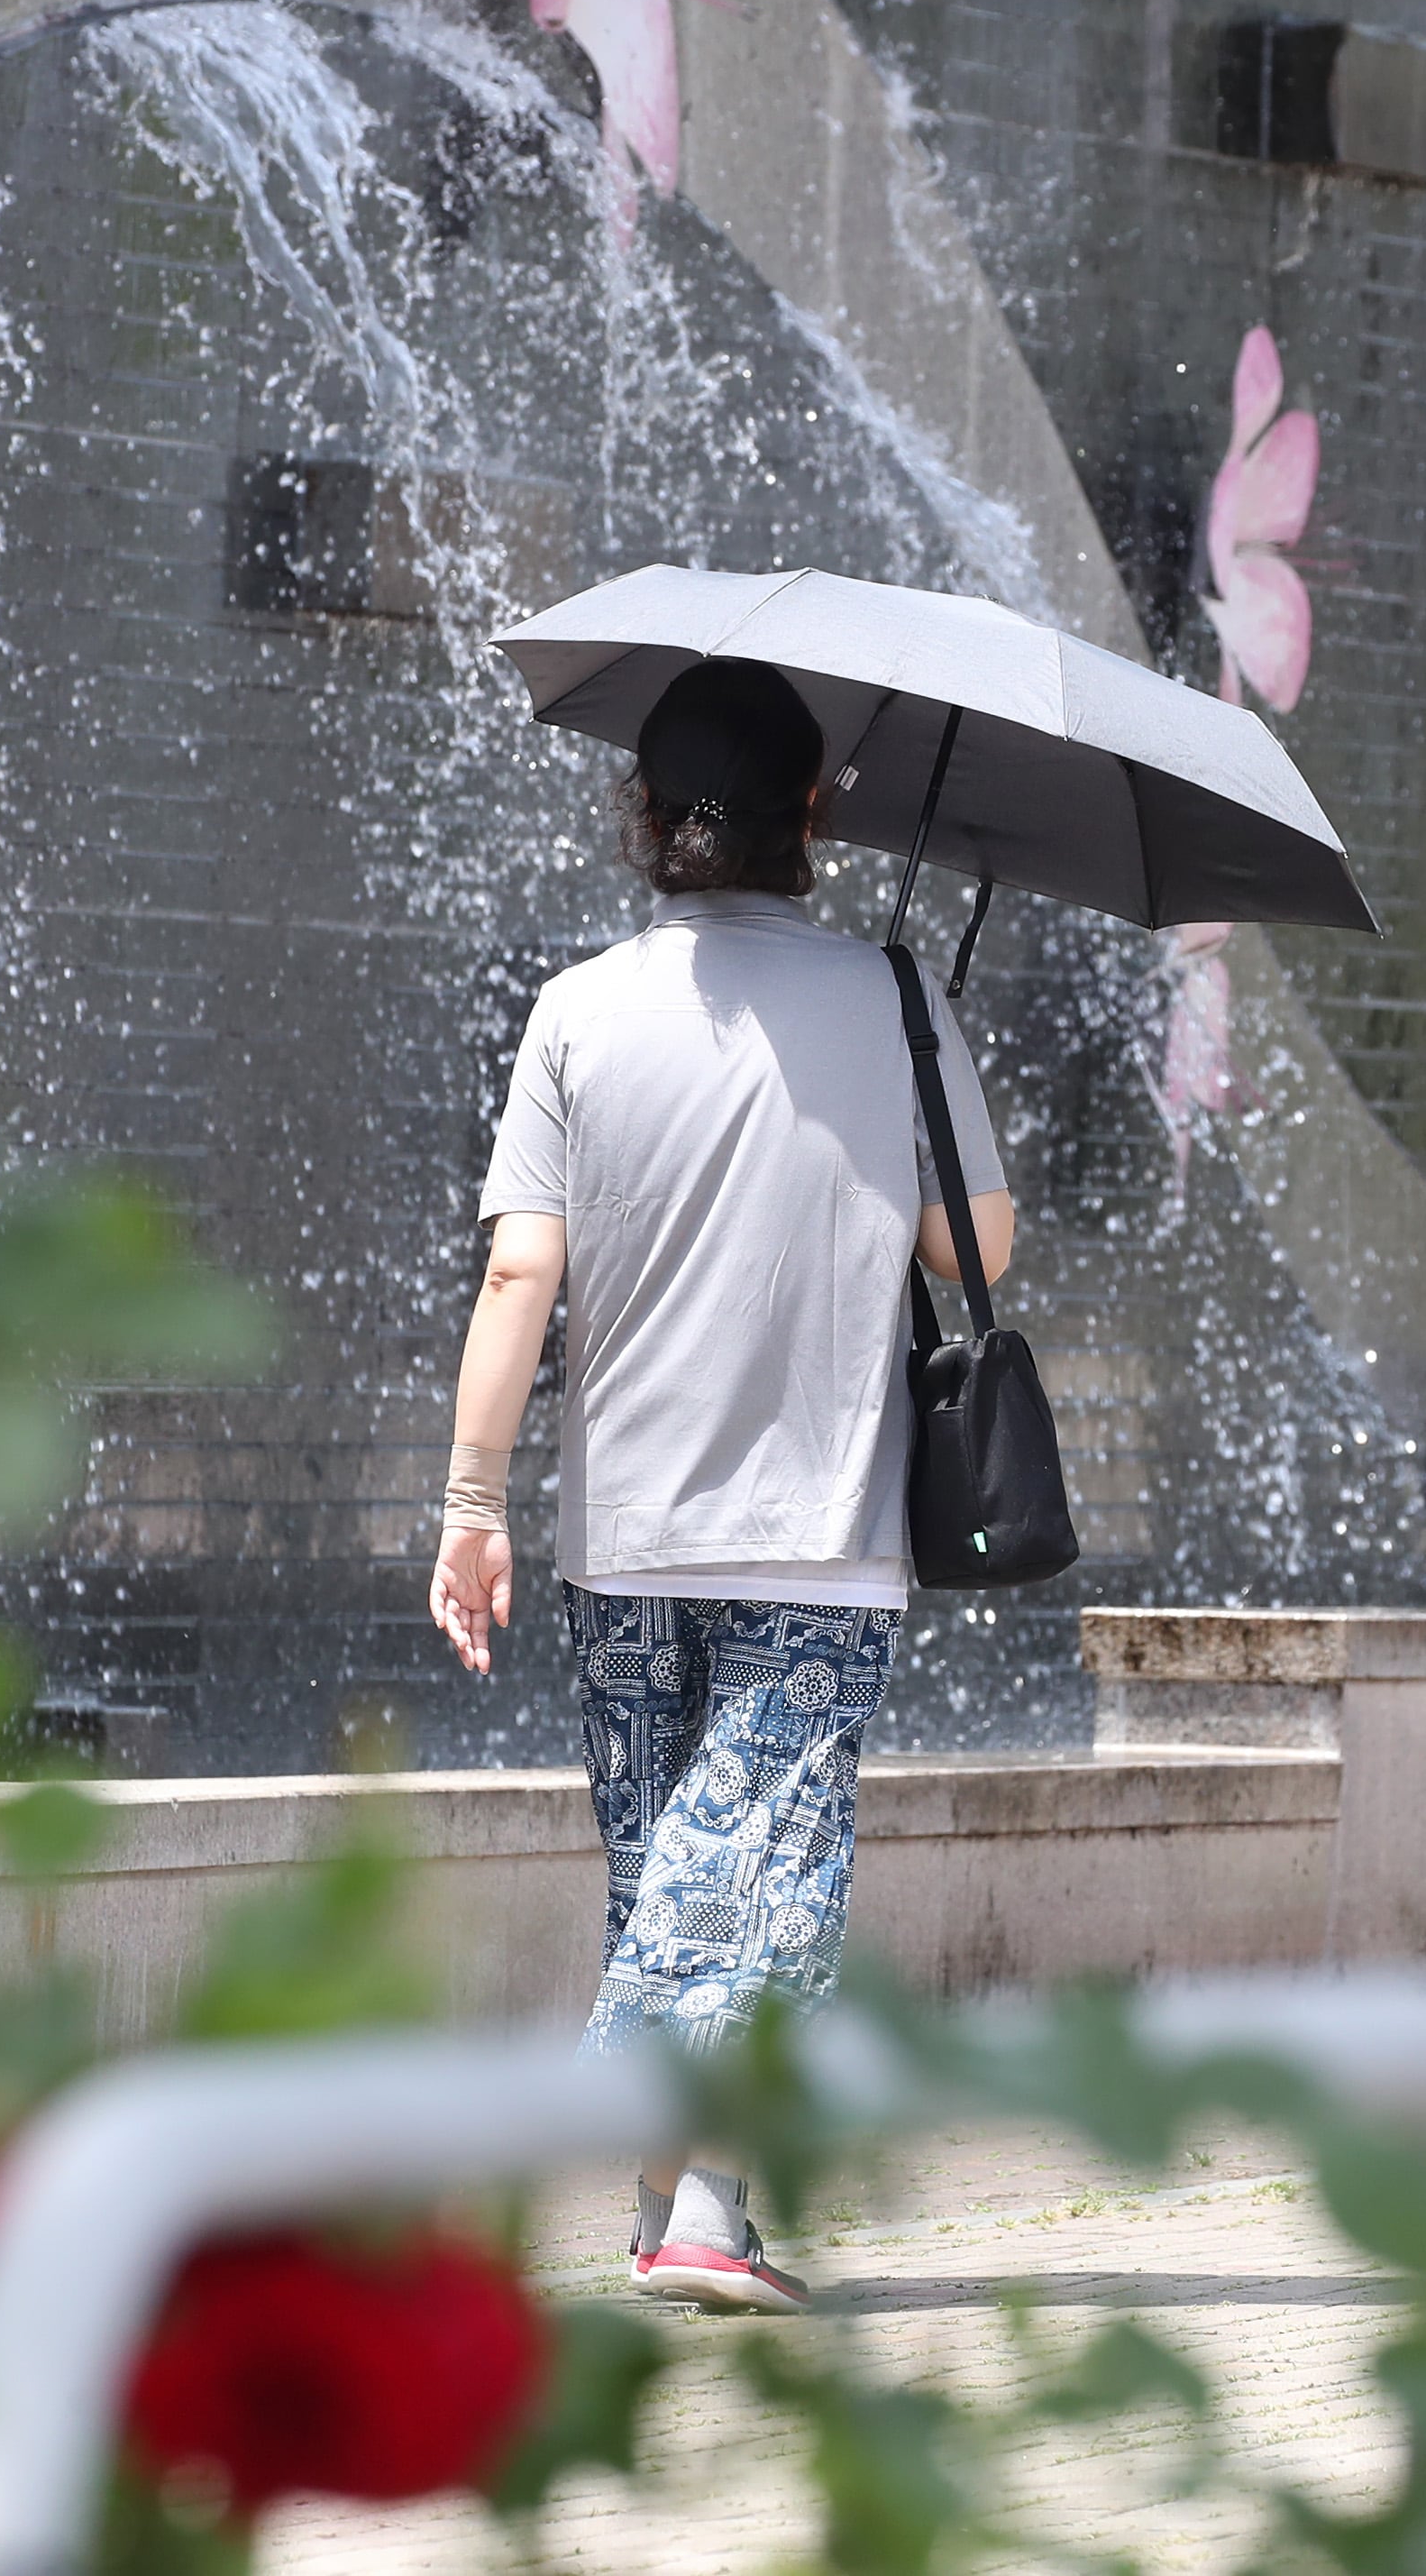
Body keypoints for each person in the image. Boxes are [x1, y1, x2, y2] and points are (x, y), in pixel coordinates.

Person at [431, 654, 1016, 2315]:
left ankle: (664, 2187)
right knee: (763, 1856)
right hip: (824, 1526)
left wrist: (469, 1510)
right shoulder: (898, 1000)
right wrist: (901, 1096)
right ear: (813, 816)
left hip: (622, 1527)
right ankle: (700, 2201)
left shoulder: (575, 1010)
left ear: (643, 820)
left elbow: (515, 1282)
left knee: (666, 1848)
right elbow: (977, 1251)